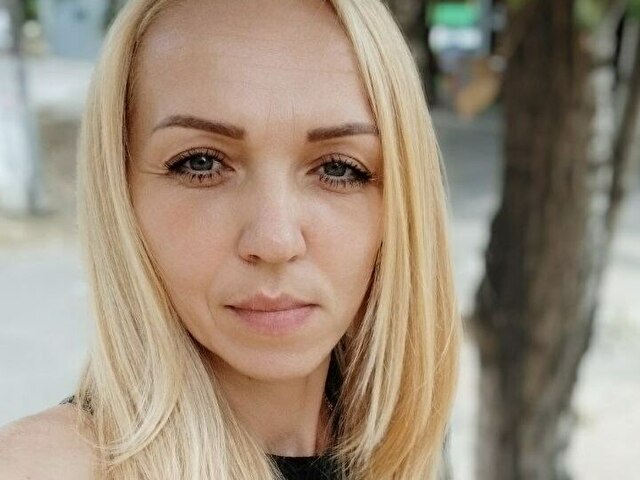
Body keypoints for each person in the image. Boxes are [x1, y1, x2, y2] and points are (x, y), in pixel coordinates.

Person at [0, 0, 462, 478]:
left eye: (338, 169)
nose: (275, 241)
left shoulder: (404, 450)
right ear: (120, 192)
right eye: (201, 163)